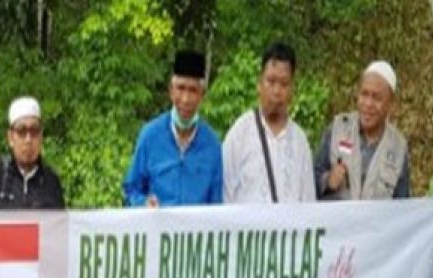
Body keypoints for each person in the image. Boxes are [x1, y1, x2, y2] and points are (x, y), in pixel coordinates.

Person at [123, 50, 222, 207]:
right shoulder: (150, 136)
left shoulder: (212, 145)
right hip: (157, 230)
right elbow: (131, 190)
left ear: (202, 95)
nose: (185, 99)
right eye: (180, 88)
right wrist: (143, 203)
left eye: (193, 90)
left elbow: (217, 204)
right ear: (170, 91)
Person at [222, 42, 315, 204]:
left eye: (284, 84)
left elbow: (308, 201)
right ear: (260, 84)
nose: (276, 91)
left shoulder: (300, 142)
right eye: (271, 82)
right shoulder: (240, 134)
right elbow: (225, 194)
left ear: (292, 89)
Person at [314, 60, 410, 201]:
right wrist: (328, 180)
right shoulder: (338, 129)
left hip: (376, 223)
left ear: (390, 104)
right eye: (364, 94)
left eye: (376, 98)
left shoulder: (398, 148)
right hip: (338, 222)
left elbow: (402, 207)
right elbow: (309, 182)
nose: (368, 104)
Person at [0, 97, 65, 210]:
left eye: (34, 131)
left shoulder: (51, 183)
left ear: (41, 137)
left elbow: (59, 225)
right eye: (21, 131)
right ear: (10, 138)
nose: (28, 139)